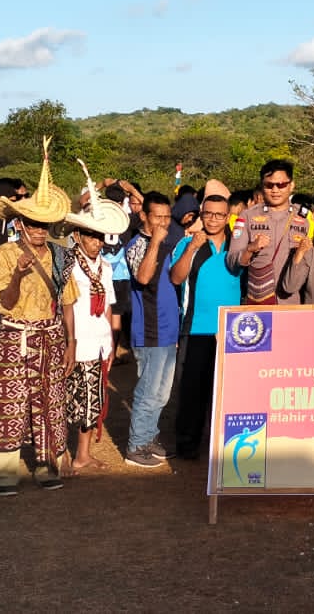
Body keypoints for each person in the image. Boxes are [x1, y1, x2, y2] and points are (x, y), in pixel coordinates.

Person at [0, 150, 76, 493]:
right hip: (15, 337)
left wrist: (71, 343)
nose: (39, 230)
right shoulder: (5, 254)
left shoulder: (59, 255)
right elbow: (5, 304)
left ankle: (47, 465)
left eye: (44, 224)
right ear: (20, 224)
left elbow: (67, 303)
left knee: (51, 402)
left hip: (52, 337)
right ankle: (5, 474)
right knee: (11, 404)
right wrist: (17, 275)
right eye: (32, 223)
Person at [59, 174, 125, 472]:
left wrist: (110, 342)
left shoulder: (106, 268)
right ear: (77, 235)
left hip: (97, 340)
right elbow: (63, 305)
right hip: (74, 339)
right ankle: (60, 453)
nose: (96, 242)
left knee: (91, 400)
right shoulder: (67, 264)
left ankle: (82, 454)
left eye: (99, 237)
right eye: (90, 236)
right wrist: (67, 341)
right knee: (65, 399)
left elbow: (108, 304)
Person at [169, 193, 242, 460]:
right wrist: (191, 248)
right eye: (208, 213)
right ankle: (188, 444)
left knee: (228, 391)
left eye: (219, 214)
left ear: (228, 217)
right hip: (196, 328)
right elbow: (176, 278)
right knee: (193, 390)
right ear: (201, 214)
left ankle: (224, 446)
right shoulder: (188, 242)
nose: (213, 219)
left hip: (232, 332)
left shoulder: (238, 247)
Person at [123, 193, 182, 468]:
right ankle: (136, 445)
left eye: (167, 217)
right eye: (158, 217)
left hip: (168, 328)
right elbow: (144, 277)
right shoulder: (137, 245)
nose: (164, 222)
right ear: (144, 216)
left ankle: (149, 436)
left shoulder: (169, 242)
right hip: (150, 329)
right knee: (148, 389)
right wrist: (155, 242)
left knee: (162, 392)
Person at [227, 160, 312, 305]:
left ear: (291, 185)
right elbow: (231, 262)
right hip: (259, 302)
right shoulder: (247, 216)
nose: (275, 190)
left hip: (290, 302)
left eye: (281, 185)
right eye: (269, 185)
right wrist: (250, 249)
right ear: (262, 186)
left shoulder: (304, 218)